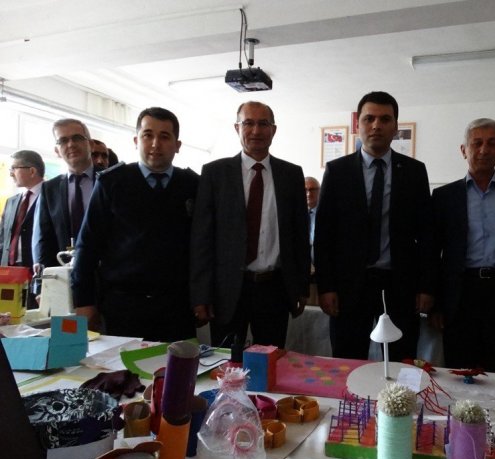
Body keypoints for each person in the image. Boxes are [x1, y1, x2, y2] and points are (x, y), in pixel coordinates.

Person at [314, 91, 434, 361]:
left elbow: (427, 233)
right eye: (369, 119)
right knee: (347, 360)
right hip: (349, 286)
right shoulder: (337, 171)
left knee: (401, 362)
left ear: (395, 127)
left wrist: (426, 286)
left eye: (385, 119)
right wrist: (326, 287)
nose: (376, 125)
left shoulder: (414, 172)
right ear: (358, 125)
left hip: (400, 285)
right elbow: (324, 234)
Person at [71, 107, 199, 341]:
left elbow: (203, 247)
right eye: (147, 135)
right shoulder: (112, 183)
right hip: (124, 305)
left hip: (177, 306)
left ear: (177, 145)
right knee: (124, 365)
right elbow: (87, 246)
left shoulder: (192, 185)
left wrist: (203, 297)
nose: (155, 144)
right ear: (136, 141)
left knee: (179, 365)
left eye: (164, 136)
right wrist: (84, 301)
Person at [190, 101, 309, 349]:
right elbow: (202, 238)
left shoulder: (291, 174)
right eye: (248, 123)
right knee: (226, 360)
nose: (256, 130)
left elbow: (299, 235)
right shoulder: (215, 173)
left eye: (263, 124)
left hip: (274, 289)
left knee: (270, 361)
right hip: (227, 290)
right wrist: (201, 294)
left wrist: (301, 287)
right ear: (237, 128)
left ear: (273, 130)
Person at [430, 118, 495, 374]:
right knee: (458, 369)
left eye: (492, 143)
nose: (484, 150)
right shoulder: (444, 197)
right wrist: (436, 305)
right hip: (461, 292)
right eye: (476, 143)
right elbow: (433, 253)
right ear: (463, 150)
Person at [33, 118, 97, 267]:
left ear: (91, 144)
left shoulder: (111, 180)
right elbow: (44, 237)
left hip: (109, 272)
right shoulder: (49, 188)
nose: (71, 144)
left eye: (77, 138)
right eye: (63, 141)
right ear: (57, 151)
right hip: (64, 271)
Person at [0, 150, 45, 308]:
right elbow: (3, 239)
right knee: (9, 316)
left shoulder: (52, 195)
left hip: (37, 272)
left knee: (39, 317)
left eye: (14, 168)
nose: (11, 173)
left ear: (32, 171)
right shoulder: (12, 201)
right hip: (9, 274)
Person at [304, 176, 320, 262]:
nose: (309, 194)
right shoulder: (294, 214)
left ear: (320, 191)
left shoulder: (328, 213)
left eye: (312, 189)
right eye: (305, 190)